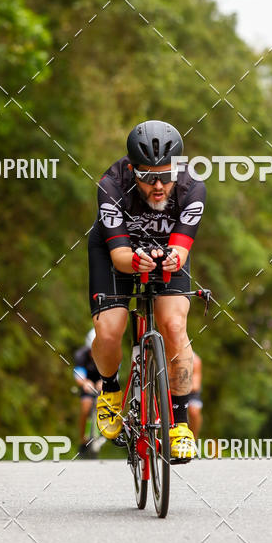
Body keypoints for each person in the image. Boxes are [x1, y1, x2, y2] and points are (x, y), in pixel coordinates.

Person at [87, 119, 206, 463]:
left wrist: (171, 260)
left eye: (165, 175)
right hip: (118, 254)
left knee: (173, 326)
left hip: (167, 252)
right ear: (131, 169)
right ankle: (110, 389)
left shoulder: (192, 187)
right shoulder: (111, 184)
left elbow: (182, 251)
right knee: (109, 331)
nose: (158, 186)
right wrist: (135, 260)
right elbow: (120, 256)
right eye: (147, 176)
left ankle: (179, 425)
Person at [73, 329, 102, 457]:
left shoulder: (109, 353)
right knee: (85, 408)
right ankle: (82, 440)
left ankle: (101, 435)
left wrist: (104, 382)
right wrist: (85, 383)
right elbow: (78, 374)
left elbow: (115, 373)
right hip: (88, 384)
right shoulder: (81, 355)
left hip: (103, 383)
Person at [188, 352, 203, 440]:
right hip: (172, 389)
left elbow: (196, 385)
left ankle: (193, 439)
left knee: (194, 412)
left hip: (191, 392)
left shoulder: (195, 360)